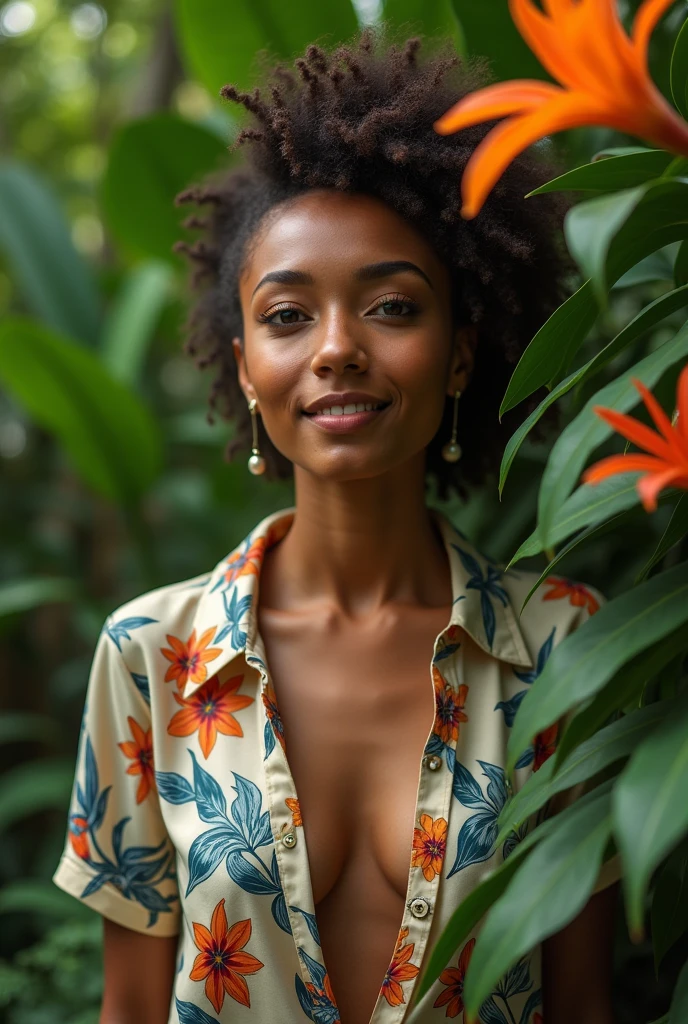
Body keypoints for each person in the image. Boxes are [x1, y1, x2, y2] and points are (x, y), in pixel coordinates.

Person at [53, 27, 619, 1024]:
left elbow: (582, 1001)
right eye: (286, 316)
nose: (336, 350)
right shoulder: (150, 658)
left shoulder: (565, 648)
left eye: (392, 307)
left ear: (458, 355)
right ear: (241, 366)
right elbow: (129, 1009)